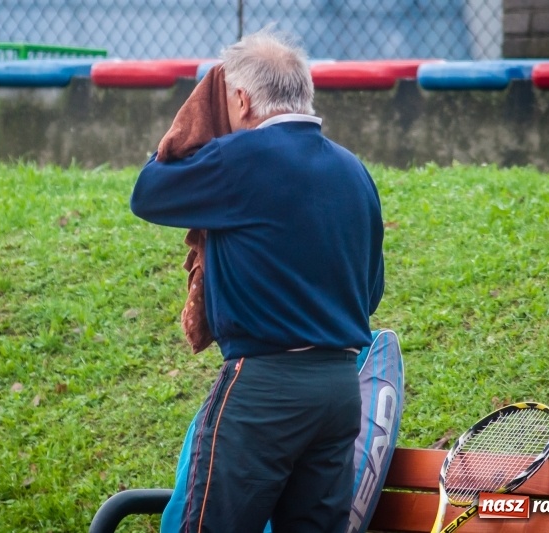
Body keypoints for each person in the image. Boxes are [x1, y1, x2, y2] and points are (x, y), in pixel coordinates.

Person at [130, 27, 385, 533]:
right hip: (339, 390)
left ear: (242, 100)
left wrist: (195, 121)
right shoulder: (354, 171)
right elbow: (371, 290)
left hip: (264, 392)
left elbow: (149, 192)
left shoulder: (238, 160)